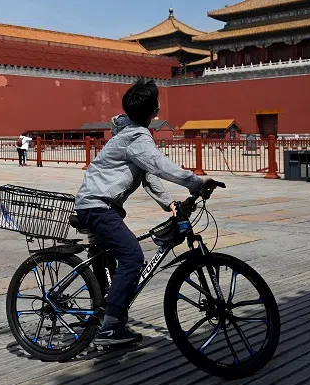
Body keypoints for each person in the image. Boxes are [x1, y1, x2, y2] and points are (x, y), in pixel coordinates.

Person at [74, 78, 221, 346]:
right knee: (132, 257)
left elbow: (149, 173)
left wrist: (169, 203)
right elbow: (158, 164)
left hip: (100, 205)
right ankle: (108, 329)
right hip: (97, 206)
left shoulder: (130, 133)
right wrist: (196, 182)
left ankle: (110, 314)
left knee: (118, 260)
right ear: (155, 111)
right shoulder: (137, 136)